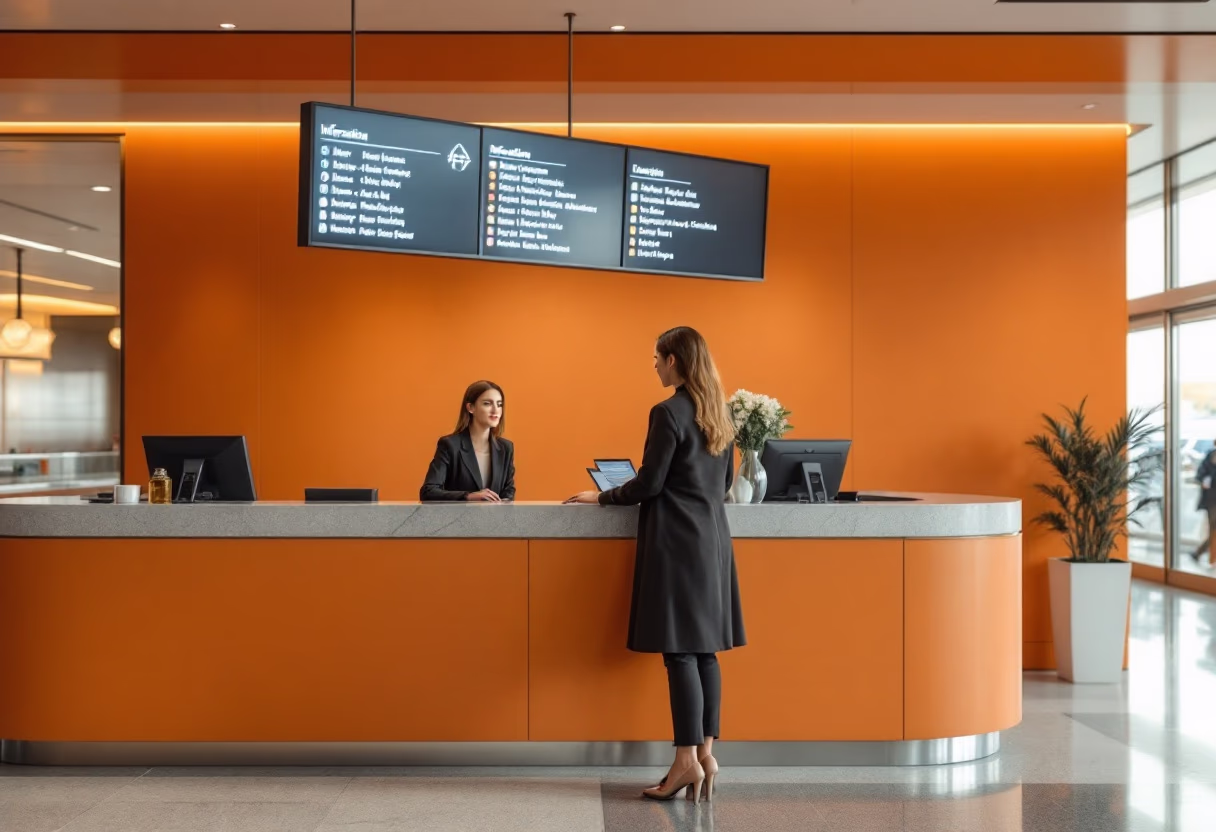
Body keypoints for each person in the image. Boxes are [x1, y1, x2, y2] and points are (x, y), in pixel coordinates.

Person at [566, 326, 745, 804]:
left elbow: (649, 484)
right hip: (712, 542)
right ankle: (706, 753)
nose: (654, 365)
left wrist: (601, 495)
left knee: (680, 653)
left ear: (675, 361)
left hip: (676, 544)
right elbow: (725, 481)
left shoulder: (667, 412)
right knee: (705, 651)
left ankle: (685, 760)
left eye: (658, 357)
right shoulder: (719, 414)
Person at [420, 380, 515, 502]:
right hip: (458, 520)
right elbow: (428, 491)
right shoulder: (450, 445)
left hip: (494, 520)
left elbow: (509, 492)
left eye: (499, 404)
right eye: (487, 404)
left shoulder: (506, 448)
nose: (496, 410)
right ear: (470, 407)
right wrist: (468, 496)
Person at [1193, 441, 1216, 564]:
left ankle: (1199, 552)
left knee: (1214, 529)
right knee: (1214, 529)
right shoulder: (1210, 455)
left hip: (1211, 498)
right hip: (1211, 499)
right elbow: (1200, 475)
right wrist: (1206, 480)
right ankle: (1201, 553)